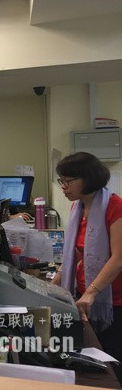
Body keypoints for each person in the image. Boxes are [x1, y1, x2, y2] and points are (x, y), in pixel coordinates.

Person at [52, 152, 122, 366]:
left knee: (112, 360)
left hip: (112, 300)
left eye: (68, 181)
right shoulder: (78, 208)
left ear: (88, 178)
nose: (63, 187)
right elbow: (75, 253)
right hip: (85, 294)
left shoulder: (115, 206)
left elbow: (118, 258)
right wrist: (53, 285)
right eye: (61, 181)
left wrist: (91, 293)